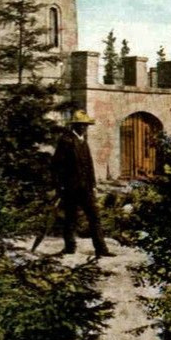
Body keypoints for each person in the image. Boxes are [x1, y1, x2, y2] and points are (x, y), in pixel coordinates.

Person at [52, 109, 110, 257]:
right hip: (71, 188)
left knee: (94, 217)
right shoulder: (66, 141)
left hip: (86, 189)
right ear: (74, 126)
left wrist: (94, 186)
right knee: (70, 218)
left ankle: (101, 249)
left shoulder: (84, 142)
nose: (84, 127)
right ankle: (70, 247)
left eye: (85, 125)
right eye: (81, 125)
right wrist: (60, 187)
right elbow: (56, 166)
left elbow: (89, 166)